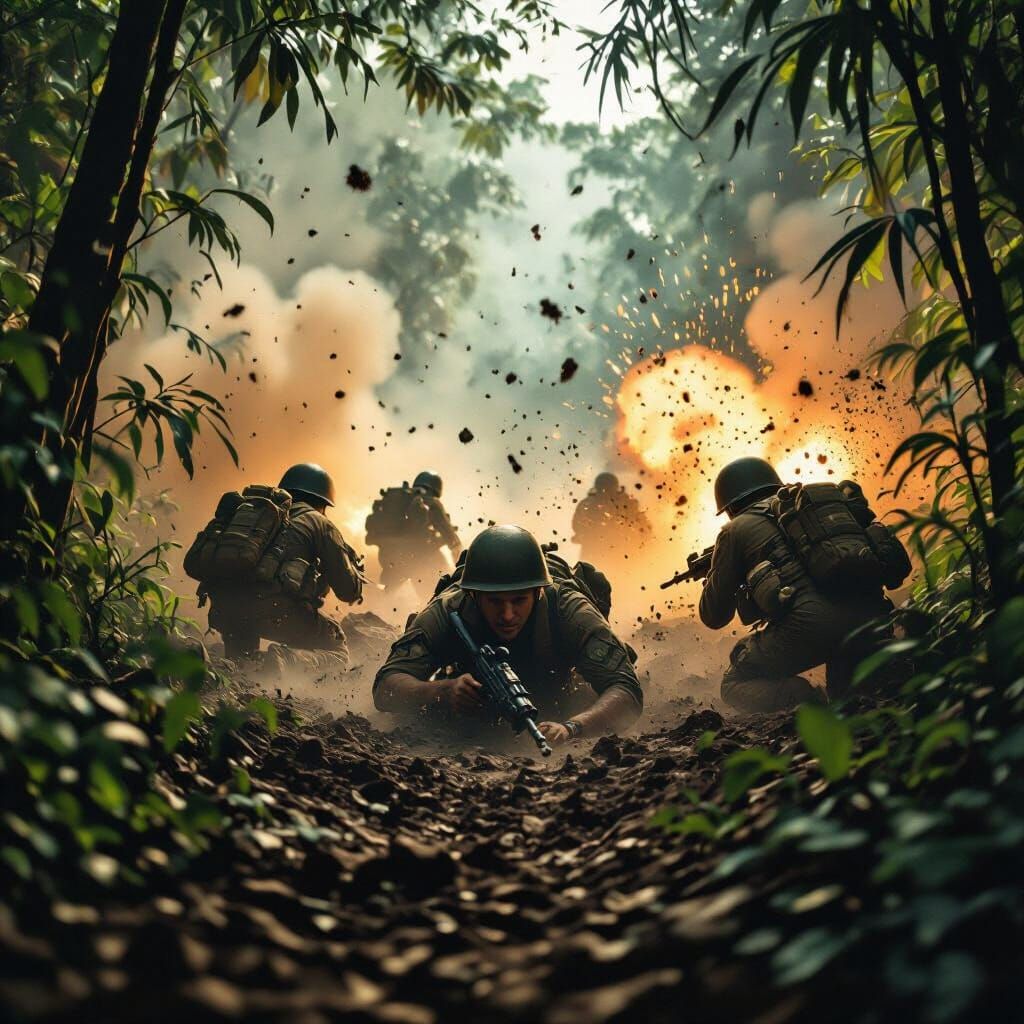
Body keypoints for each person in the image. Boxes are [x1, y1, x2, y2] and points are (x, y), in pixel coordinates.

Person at [373, 524, 643, 747]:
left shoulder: (568, 608)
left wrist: (572, 727)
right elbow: (386, 686)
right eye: (495, 602)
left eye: (519, 600)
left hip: (555, 682)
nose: (507, 615)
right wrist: (441, 691)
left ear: (538, 592)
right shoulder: (449, 609)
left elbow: (626, 689)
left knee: (586, 691)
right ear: (474, 595)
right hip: (468, 697)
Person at [699, 457, 910, 714]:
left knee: (733, 683)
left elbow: (714, 616)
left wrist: (717, 570)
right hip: (872, 614)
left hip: (812, 627)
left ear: (730, 507)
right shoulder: (810, 509)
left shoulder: (734, 530)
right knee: (847, 698)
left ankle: (805, 701)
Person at [187, 463, 364, 667]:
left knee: (242, 665)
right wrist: (354, 573)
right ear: (323, 502)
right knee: (336, 645)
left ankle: (229, 666)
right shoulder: (320, 523)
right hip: (272, 612)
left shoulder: (257, 514)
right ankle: (285, 661)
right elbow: (347, 591)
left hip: (224, 608)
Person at [365, 470, 462, 598]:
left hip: (391, 557)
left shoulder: (401, 499)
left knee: (387, 596)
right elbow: (446, 530)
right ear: (436, 488)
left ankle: (374, 605)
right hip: (419, 558)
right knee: (433, 595)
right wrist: (457, 552)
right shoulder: (431, 501)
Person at [571, 472, 651, 564]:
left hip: (618, 550)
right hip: (596, 550)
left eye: (608, 487)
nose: (605, 492)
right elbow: (577, 524)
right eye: (604, 487)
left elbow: (642, 525)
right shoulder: (588, 504)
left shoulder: (626, 503)